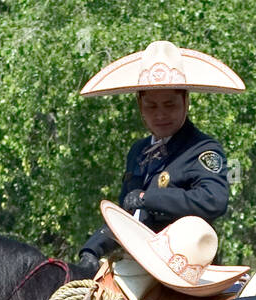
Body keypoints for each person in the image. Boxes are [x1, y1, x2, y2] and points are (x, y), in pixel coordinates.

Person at [76, 41, 242, 269]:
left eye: (169, 105)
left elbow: (214, 200)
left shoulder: (203, 149)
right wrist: (92, 249)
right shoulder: (138, 151)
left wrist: (148, 199)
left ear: (185, 102)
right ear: (140, 106)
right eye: (152, 107)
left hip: (183, 265)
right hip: (136, 261)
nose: (161, 114)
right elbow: (127, 215)